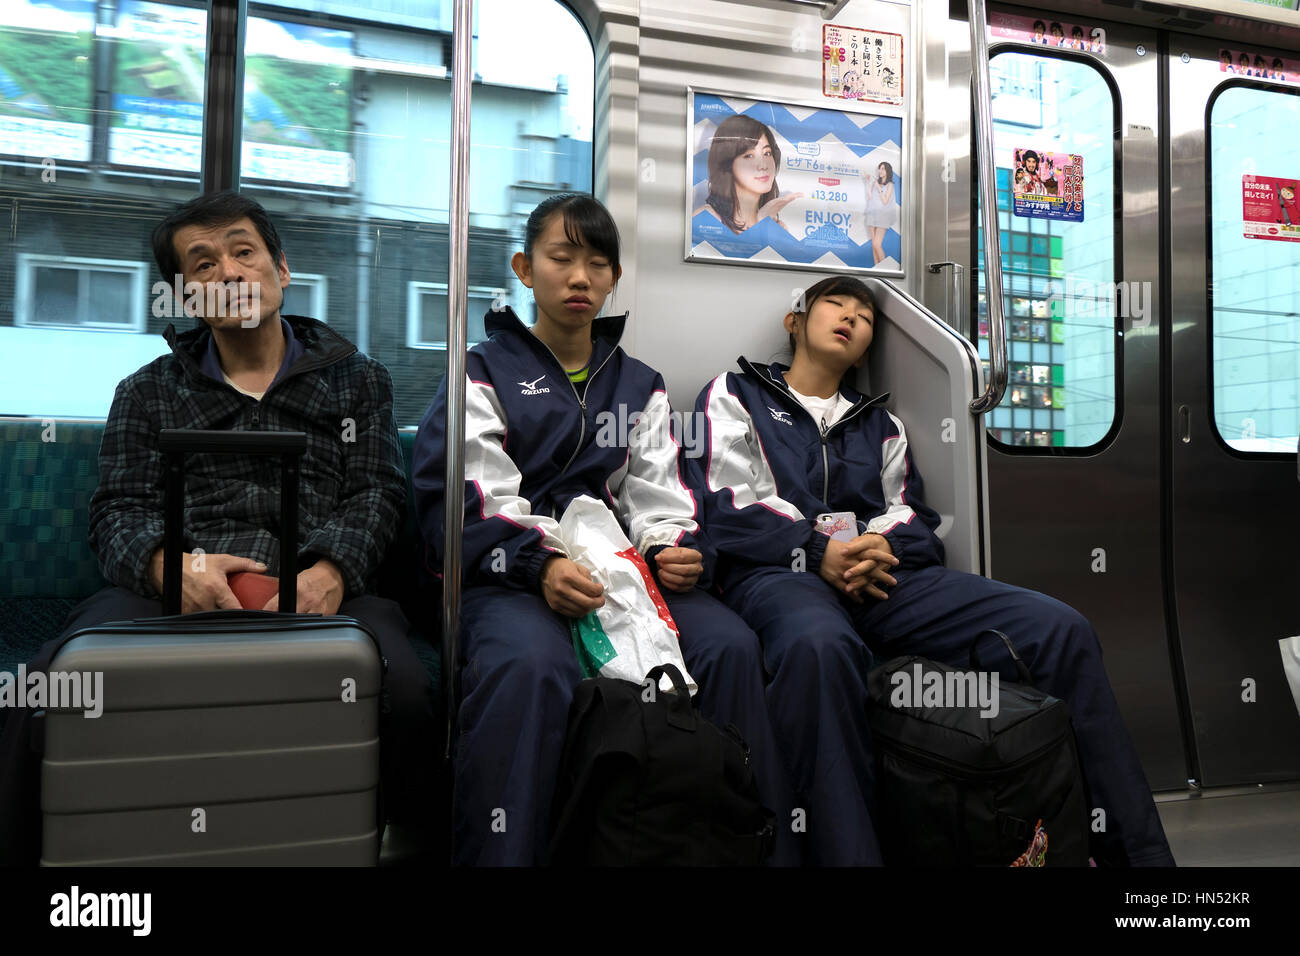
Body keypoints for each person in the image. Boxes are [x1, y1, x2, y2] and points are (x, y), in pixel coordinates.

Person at [0, 190, 437, 865]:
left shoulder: (358, 381)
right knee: (41, 688)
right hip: (172, 593)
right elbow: (117, 510)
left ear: (281, 270)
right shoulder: (147, 392)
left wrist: (328, 574)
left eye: (243, 252)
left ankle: (398, 843)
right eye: (202, 266)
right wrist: (171, 570)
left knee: (406, 691)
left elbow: (377, 493)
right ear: (183, 298)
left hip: (323, 588)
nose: (229, 273)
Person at [684, 275, 1177, 867]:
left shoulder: (879, 424)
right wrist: (818, 552)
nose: (850, 319)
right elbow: (727, 503)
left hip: (882, 578)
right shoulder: (736, 395)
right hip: (779, 574)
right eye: (834, 306)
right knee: (820, 647)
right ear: (795, 322)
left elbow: (912, 519)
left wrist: (871, 548)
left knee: (1059, 629)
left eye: (864, 317)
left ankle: (1135, 859)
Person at [412, 193, 795, 866]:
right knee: (529, 665)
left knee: (729, 646)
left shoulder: (637, 384)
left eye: (597, 263)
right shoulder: (478, 370)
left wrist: (673, 548)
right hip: (512, 575)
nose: (580, 277)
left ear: (615, 278)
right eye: (561, 259)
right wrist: (539, 564)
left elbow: (658, 491)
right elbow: (467, 491)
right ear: (525, 270)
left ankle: (743, 849)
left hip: (625, 573)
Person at [696, 114, 803, 233]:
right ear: (727, 164)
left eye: (767, 153)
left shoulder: (777, 226)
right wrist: (761, 223)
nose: (763, 165)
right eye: (749, 156)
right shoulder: (707, 217)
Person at [863, 161, 898, 267]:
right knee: (874, 245)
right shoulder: (875, 182)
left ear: (887, 171)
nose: (880, 171)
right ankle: (876, 269)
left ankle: (885, 269)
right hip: (872, 213)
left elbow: (885, 201)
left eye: (883, 169)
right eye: (879, 168)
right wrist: (867, 182)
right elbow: (869, 197)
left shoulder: (890, 185)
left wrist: (879, 188)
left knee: (877, 244)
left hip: (883, 216)